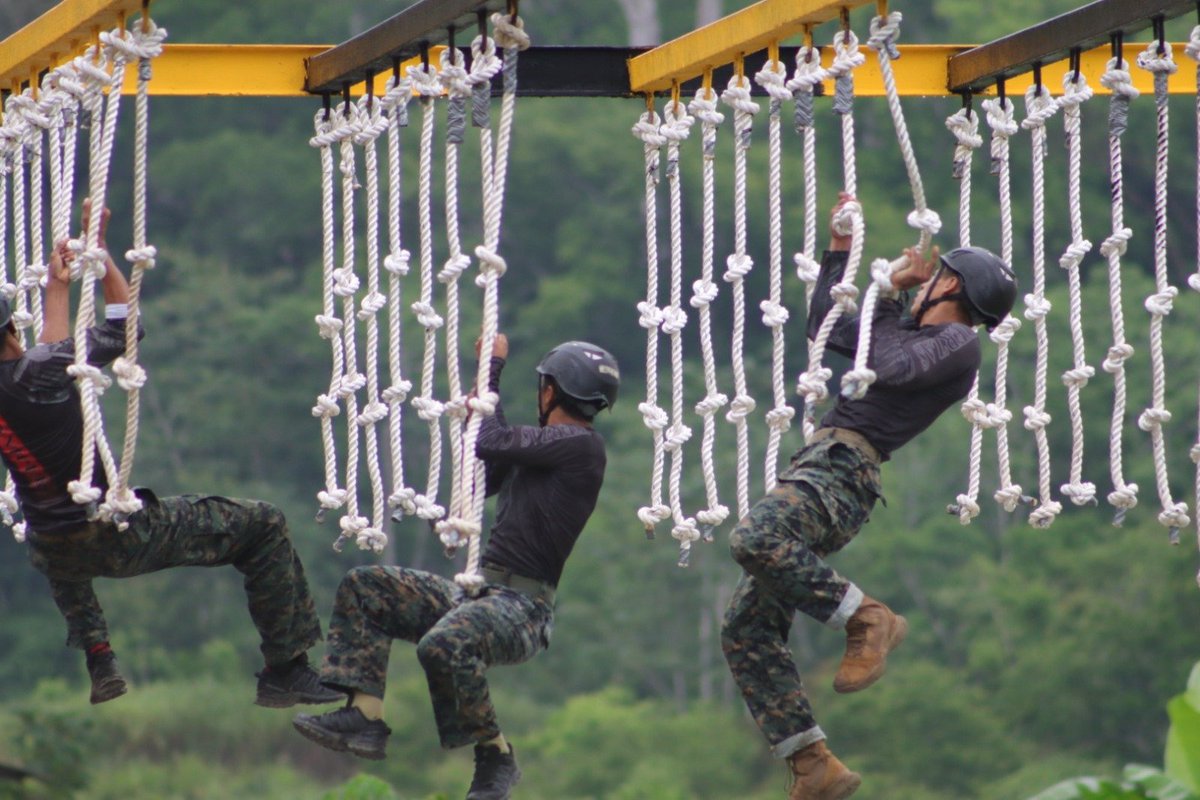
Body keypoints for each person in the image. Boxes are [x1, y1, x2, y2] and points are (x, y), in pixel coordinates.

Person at [721, 193, 1017, 800]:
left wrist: (886, 294)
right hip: (824, 463)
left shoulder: (958, 344)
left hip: (844, 470)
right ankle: (812, 762)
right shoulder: (910, 329)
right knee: (745, 628)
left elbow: (889, 364)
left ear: (952, 287)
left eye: (937, 276)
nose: (925, 281)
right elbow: (824, 328)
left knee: (755, 538)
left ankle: (867, 617)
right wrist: (841, 252)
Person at [4, 200, 340, 709]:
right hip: (113, 536)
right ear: (11, 329)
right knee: (264, 525)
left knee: (56, 543)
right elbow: (122, 327)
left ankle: (99, 655)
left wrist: (58, 287)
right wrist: (105, 258)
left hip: (55, 547)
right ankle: (285, 667)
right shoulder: (41, 370)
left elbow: (52, 350)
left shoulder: (37, 374)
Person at [293, 334, 618, 800]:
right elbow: (487, 465)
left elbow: (494, 438)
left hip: (522, 609)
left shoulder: (582, 446)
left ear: (549, 391)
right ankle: (365, 714)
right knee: (366, 587)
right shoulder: (549, 449)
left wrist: (491, 371)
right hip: (479, 596)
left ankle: (496, 756)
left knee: (444, 644)